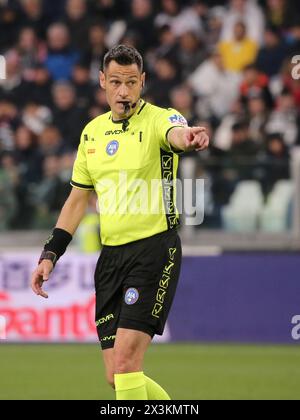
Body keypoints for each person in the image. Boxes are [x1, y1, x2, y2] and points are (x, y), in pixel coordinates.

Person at [31, 45, 209, 400]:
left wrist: (187, 139)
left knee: (127, 363)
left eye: (131, 82)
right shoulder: (91, 134)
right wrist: (50, 253)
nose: (123, 91)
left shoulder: (161, 119)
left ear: (142, 82)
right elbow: (77, 200)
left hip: (153, 251)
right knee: (116, 375)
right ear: (102, 82)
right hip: (111, 259)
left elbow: (176, 133)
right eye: (115, 82)